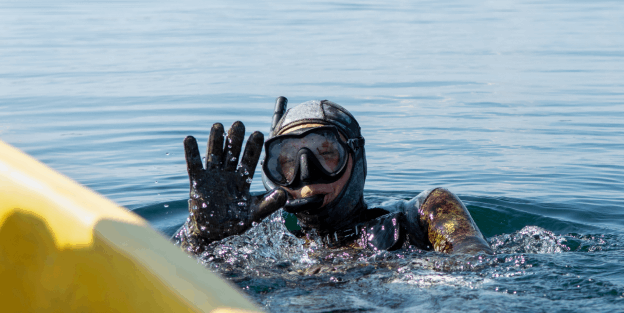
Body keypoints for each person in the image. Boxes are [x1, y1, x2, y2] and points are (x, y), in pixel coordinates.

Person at [174, 97, 491, 256]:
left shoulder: (421, 214)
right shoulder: (272, 250)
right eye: (286, 163)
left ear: (357, 158)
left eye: (327, 154)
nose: (307, 178)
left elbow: (473, 266)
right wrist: (199, 241)